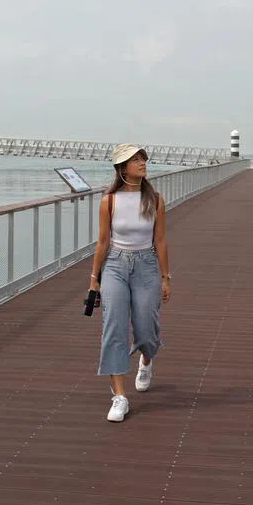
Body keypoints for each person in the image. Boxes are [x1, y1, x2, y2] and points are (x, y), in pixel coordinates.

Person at [88, 143, 171, 422]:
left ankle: (146, 359)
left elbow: (161, 240)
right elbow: (102, 242)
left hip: (146, 265)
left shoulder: (155, 200)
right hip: (115, 265)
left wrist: (166, 277)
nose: (142, 163)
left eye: (143, 159)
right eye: (135, 160)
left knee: (146, 329)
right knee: (114, 327)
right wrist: (94, 279)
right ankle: (119, 397)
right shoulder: (109, 201)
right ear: (122, 168)